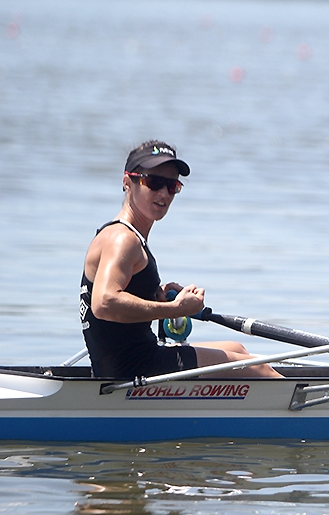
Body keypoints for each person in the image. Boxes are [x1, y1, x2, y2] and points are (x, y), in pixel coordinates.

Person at [80, 140, 281, 379]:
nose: (164, 193)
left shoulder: (124, 236)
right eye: (153, 182)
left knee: (238, 350)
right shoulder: (122, 239)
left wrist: (153, 294)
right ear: (127, 183)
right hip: (134, 370)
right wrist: (173, 309)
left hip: (133, 360)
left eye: (172, 185)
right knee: (260, 368)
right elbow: (104, 304)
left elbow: (117, 296)